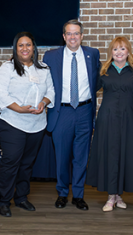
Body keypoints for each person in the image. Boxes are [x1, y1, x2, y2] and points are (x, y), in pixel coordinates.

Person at [0, 32, 55, 217]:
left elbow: (51, 90)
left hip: (36, 124)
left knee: (27, 164)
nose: (25, 48)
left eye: (28, 45)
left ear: (34, 48)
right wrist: (18, 109)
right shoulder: (7, 67)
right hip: (12, 121)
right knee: (11, 162)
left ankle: (21, 198)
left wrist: (43, 103)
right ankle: (4, 201)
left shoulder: (44, 68)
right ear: (15, 48)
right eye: (21, 45)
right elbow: (0, 93)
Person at [43, 19, 101, 211]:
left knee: (81, 157)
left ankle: (78, 195)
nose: (73, 37)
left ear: (82, 36)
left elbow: (98, 82)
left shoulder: (92, 54)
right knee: (62, 156)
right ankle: (61, 194)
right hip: (62, 112)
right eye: (69, 33)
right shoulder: (51, 57)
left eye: (76, 33)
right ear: (64, 36)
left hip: (85, 110)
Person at [85, 36, 133, 212]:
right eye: (115, 49)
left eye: (123, 49)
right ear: (111, 52)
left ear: (128, 52)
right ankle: (111, 197)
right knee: (109, 155)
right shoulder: (103, 71)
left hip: (128, 119)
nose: (119, 52)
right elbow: (88, 91)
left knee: (126, 154)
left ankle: (119, 195)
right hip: (107, 119)